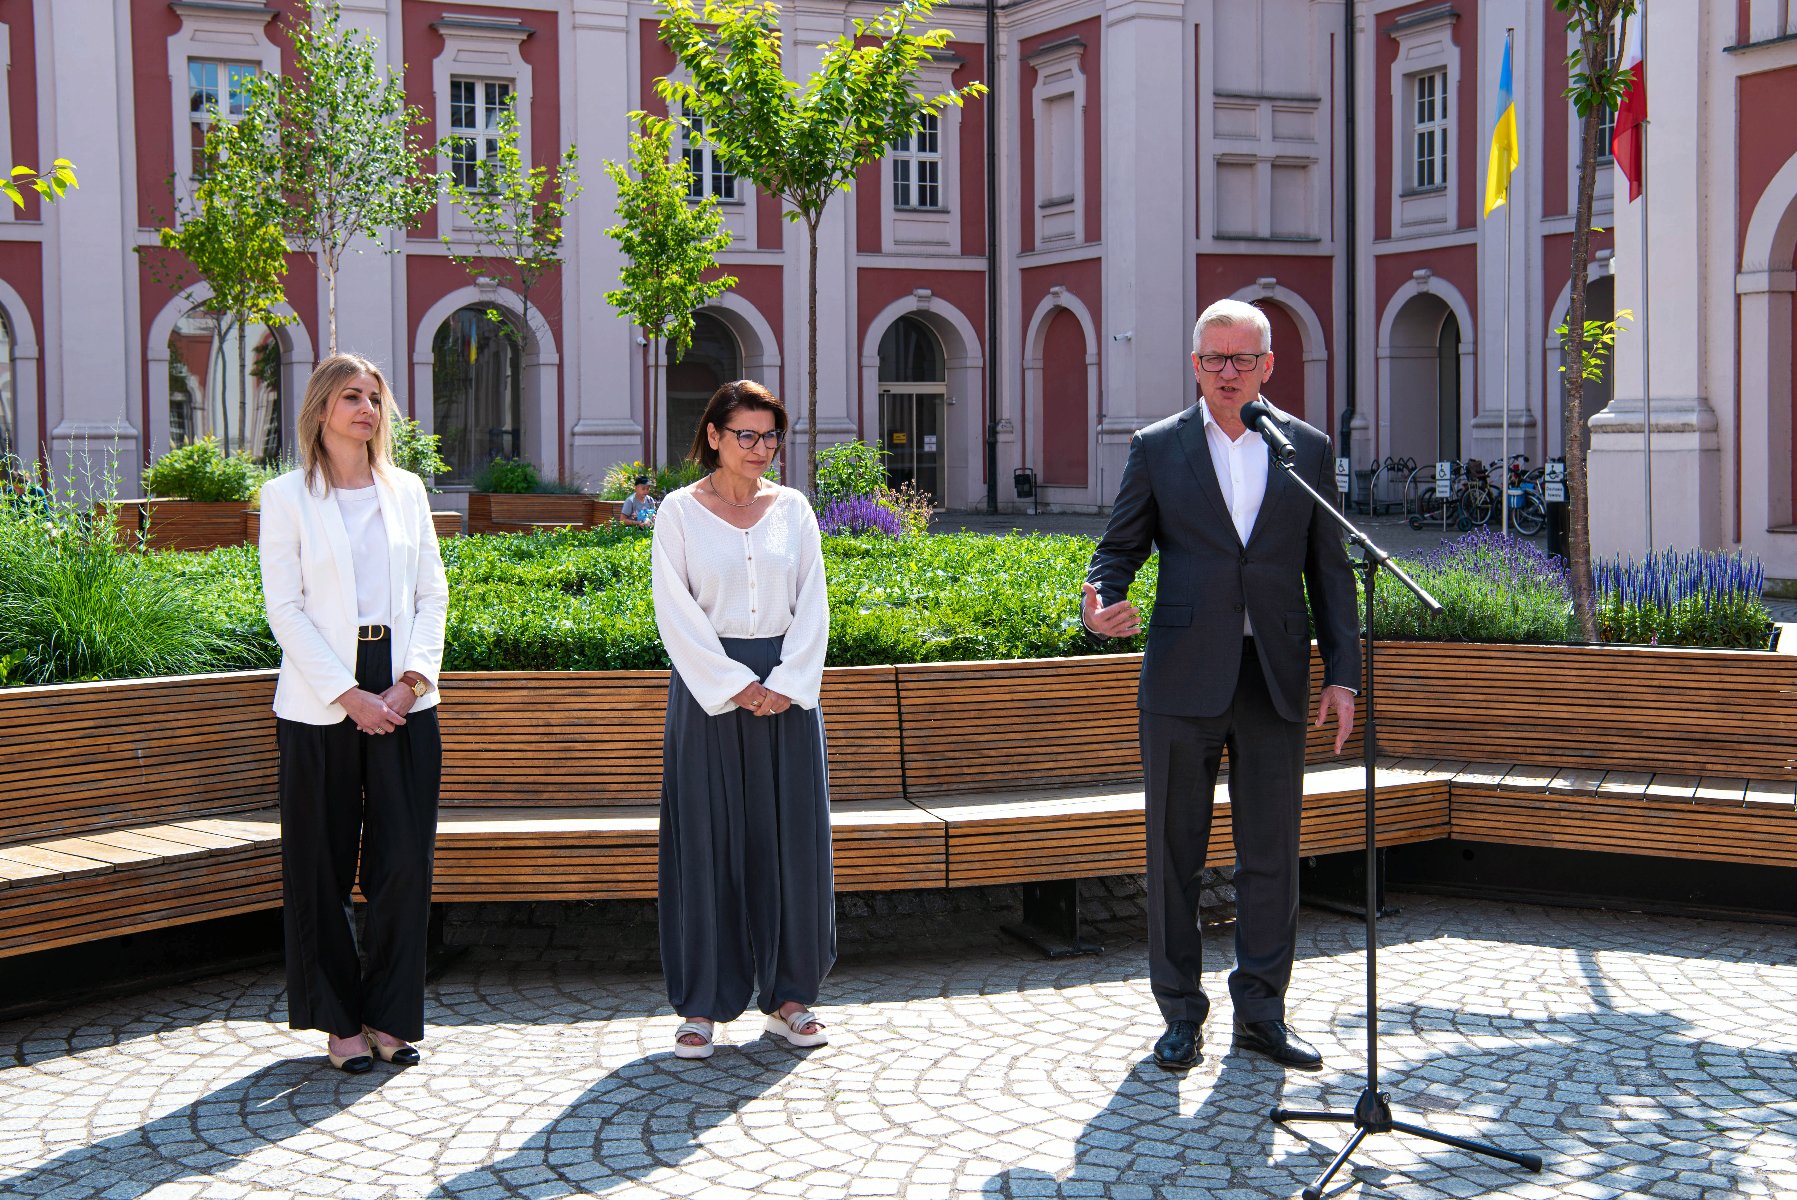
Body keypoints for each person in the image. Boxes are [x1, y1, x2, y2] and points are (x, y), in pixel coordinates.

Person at [1082, 298, 1359, 1072]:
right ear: (1194, 363)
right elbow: (1117, 548)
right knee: (1174, 854)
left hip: (1272, 677)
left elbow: (1330, 571)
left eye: (1242, 359)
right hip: (1179, 678)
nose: (1227, 372)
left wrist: (1342, 675)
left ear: (1269, 365)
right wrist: (1097, 600)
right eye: (1213, 359)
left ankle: (1261, 1015)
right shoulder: (1157, 446)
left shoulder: (1303, 446)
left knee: (1270, 854)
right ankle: (1179, 1014)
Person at [259, 353, 448, 1074]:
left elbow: (432, 594)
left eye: (374, 396)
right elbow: (286, 607)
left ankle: (391, 1017)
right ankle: (339, 1023)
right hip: (319, 697)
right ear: (320, 409)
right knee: (321, 864)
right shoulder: (286, 497)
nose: (366, 408)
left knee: (403, 863)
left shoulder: (405, 491)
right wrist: (347, 695)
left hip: (404, 691)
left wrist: (409, 682)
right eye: (350, 396)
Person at [650, 379, 833, 1060]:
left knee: (791, 846)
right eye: (746, 435)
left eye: (770, 435)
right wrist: (735, 686)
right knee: (706, 845)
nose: (761, 449)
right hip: (708, 695)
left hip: (788, 696)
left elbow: (812, 602)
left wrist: (784, 684)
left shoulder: (793, 509)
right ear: (714, 437)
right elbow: (676, 611)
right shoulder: (678, 511)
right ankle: (701, 1003)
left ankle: (792, 998)